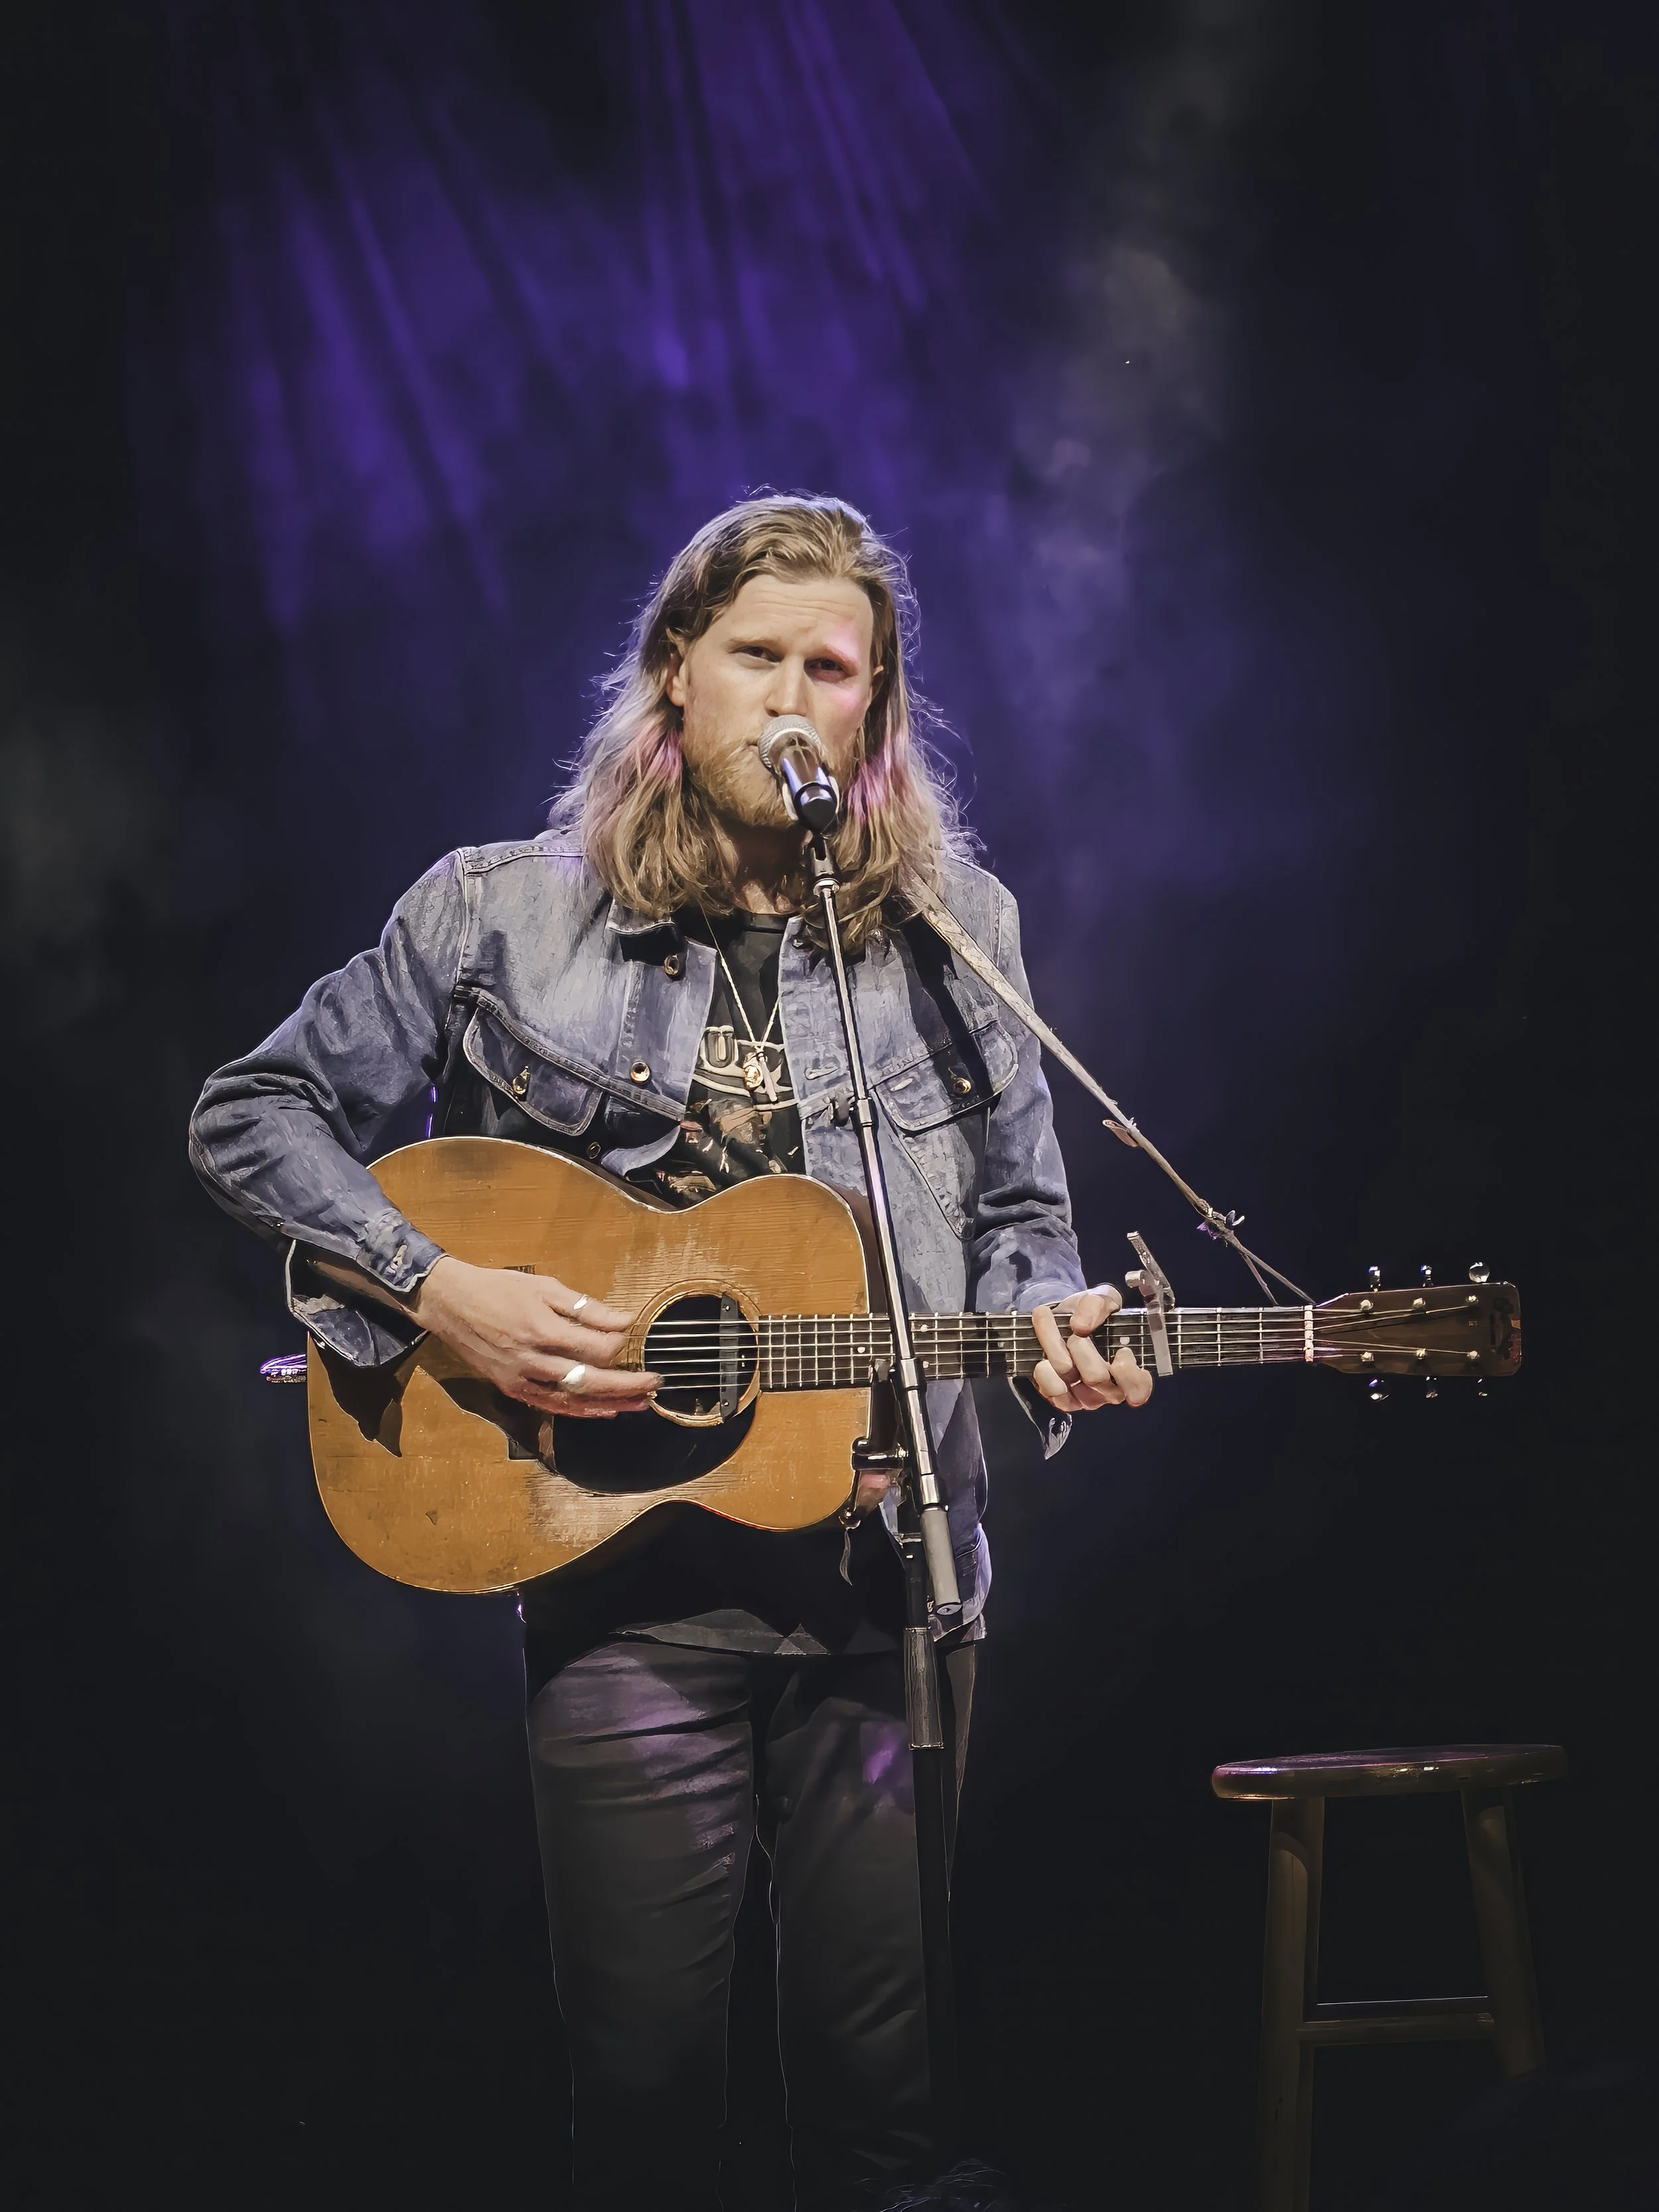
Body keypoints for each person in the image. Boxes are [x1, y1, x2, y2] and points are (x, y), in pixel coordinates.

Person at [188, 494, 1153, 2211]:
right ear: (672, 674)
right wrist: (437, 1284)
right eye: (757, 653)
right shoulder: (498, 914)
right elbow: (251, 1115)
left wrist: (1055, 1327)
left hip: (884, 1577)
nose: (795, 694)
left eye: (834, 667)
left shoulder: (949, 939)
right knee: (647, 2117)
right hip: (620, 1585)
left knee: (889, 2118)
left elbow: (1020, 1226)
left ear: (874, 711)